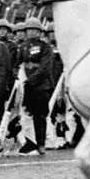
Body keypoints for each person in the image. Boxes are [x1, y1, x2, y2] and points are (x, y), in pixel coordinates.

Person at [19, 17, 54, 155]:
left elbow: (45, 67)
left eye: (34, 30)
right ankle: (29, 141)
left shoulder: (46, 47)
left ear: (39, 31)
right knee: (27, 115)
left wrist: (30, 80)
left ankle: (41, 143)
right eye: (28, 30)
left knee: (40, 115)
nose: (31, 32)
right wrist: (19, 78)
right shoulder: (23, 47)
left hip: (41, 85)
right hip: (25, 85)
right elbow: (18, 63)